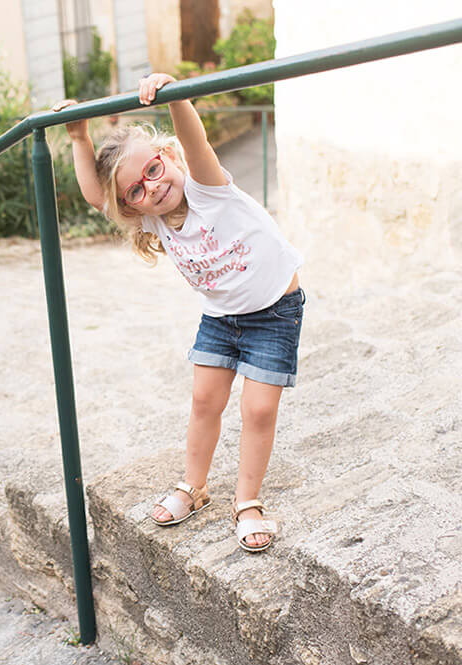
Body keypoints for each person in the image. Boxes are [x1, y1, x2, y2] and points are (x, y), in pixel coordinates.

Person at [54, 73, 305, 553]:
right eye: (134, 191)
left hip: (274, 311)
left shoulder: (208, 188)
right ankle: (195, 486)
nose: (151, 188)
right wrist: (77, 137)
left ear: (167, 156)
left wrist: (173, 95)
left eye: (153, 170)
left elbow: (196, 138)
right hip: (220, 317)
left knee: (257, 410)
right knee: (204, 404)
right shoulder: (152, 215)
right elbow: (93, 194)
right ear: (130, 206)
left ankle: (247, 501)